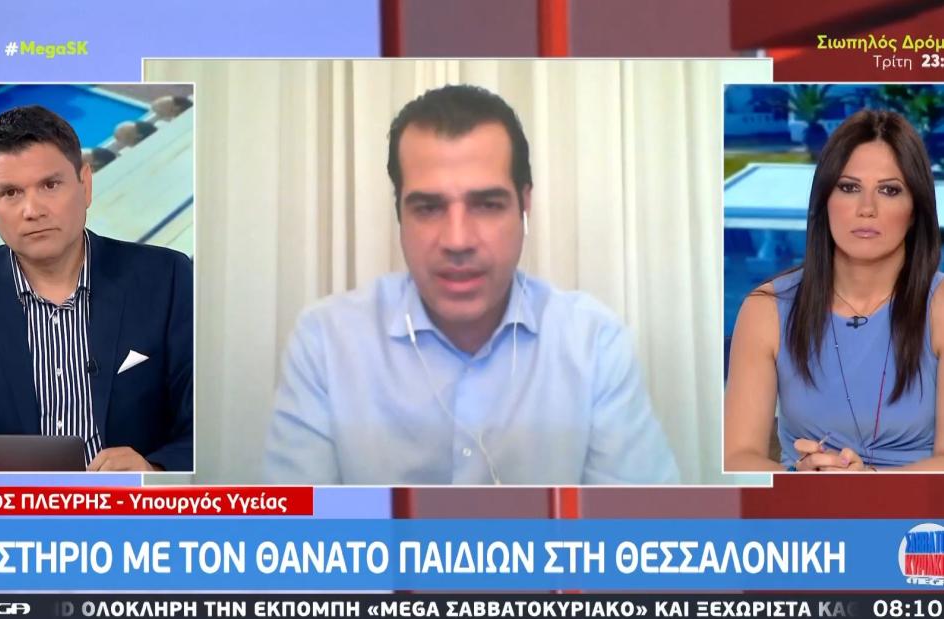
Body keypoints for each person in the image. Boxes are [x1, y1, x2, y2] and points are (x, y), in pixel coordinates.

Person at [265, 84, 678, 484]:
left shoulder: (593, 344)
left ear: (525, 206)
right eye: (428, 208)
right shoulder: (326, 342)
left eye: (487, 205)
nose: (458, 240)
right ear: (399, 214)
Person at [0, 105, 193, 472]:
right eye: (10, 192)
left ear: (85, 184)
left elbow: (205, 429)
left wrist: (153, 471)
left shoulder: (166, 278)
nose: (32, 210)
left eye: (50, 185)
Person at [725, 109, 944, 472]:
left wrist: (869, 485)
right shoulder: (766, 309)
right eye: (849, 187)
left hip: (918, 504)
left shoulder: (939, 307)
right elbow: (737, 457)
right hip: (804, 503)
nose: (867, 209)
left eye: (889, 190)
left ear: (915, 209)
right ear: (825, 199)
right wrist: (801, 485)